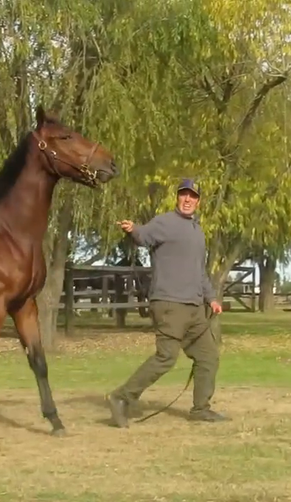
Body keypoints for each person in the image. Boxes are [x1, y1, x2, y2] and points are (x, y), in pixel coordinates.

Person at [105, 178, 229, 428]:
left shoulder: (197, 231)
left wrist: (211, 298)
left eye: (192, 196)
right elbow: (144, 235)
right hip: (170, 304)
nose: (187, 199)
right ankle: (121, 397)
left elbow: (199, 270)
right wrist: (133, 230)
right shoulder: (165, 222)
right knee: (166, 357)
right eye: (184, 194)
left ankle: (201, 409)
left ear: (198, 201)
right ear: (178, 197)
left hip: (195, 308)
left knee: (208, 356)